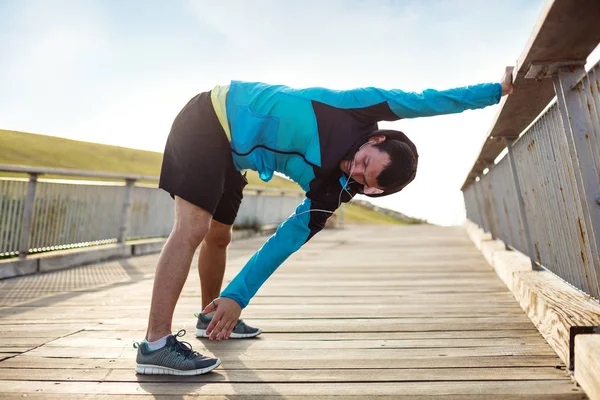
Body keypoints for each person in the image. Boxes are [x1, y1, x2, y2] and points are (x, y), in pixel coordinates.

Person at [134, 68, 514, 375]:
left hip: (233, 157)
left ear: (374, 193)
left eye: (366, 182)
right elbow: (423, 102)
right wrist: (494, 90)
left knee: (219, 238)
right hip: (211, 116)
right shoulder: (357, 110)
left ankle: (211, 317)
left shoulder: (333, 192)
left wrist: (237, 296)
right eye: (366, 162)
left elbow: (284, 242)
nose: (356, 171)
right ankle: (155, 344)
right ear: (376, 139)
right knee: (193, 229)